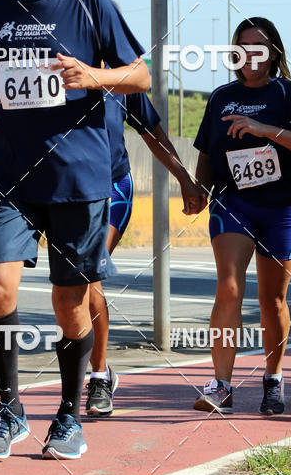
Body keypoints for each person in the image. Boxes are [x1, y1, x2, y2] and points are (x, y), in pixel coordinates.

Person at [0, 0, 150, 461]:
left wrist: (94, 75)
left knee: (70, 304)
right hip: (7, 172)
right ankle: (9, 409)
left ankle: (67, 414)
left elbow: (142, 74)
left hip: (77, 177)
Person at [191, 16, 291, 416]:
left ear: (273, 52)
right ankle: (221, 384)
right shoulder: (221, 96)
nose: (250, 55)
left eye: (259, 47)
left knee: (272, 300)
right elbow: (206, 152)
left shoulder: (290, 94)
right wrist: (198, 189)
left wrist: (262, 128)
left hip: (282, 209)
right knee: (229, 287)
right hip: (233, 204)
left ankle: (273, 378)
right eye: (243, 47)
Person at [85, 91, 207, 415]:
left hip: (113, 189)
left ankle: (98, 377)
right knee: (69, 289)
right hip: (67, 190)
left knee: (88, 275)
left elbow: (153, 133)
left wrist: (184, 178)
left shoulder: (121, 79)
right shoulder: (57, 68)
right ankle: (101, 370)